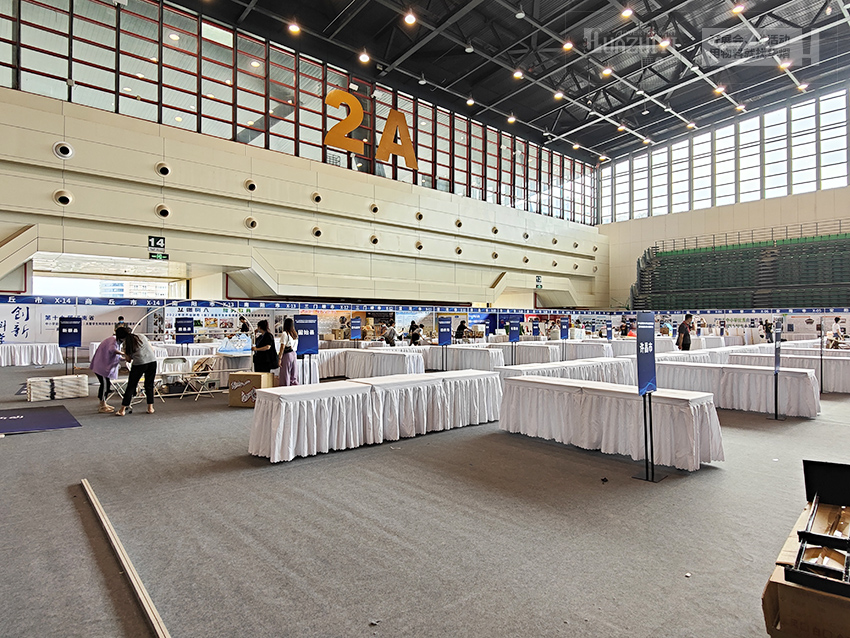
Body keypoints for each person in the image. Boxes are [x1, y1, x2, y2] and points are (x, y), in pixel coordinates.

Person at [114, 326, 157, 416]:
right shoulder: (141, 336)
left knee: (131, 385)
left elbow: (128, 360)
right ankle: (150, 408)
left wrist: (128, 355)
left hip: (139, 364)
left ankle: (122, 410)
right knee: (149, 385)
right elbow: (151, 349)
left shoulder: (126, 344)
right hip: (152, 361)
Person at [89, 332, 123, 413]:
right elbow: (112, 350)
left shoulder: (115, 341)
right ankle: (102, 406)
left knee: (106, 385)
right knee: (105, 385)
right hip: (101, 366)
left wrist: (125, 358)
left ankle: (103, 403)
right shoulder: (113, 341)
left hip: (102, 365)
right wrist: (123, 353)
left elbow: (117, 356)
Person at [278, 317, 299, 386]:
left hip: (287, 355)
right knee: (293, 372)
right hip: (294, 354)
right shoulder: (294, 334)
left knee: (285, 373)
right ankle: (293, 385)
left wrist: (279, 358)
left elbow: (282, 347)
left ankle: (285, 386)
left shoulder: (285, 334)